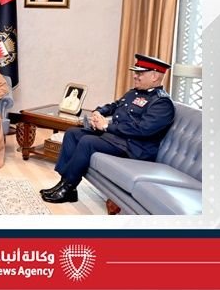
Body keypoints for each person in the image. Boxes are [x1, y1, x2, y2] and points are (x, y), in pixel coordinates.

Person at [40, 53, 175, 203]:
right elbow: (114, 106)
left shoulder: (162, 103)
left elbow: (142, 129)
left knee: (88, 141)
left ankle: (67, 187)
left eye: (140, 73)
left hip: (134, 147)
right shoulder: (134, 93)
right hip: (117, 139)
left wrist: (106, 126)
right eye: (135, 72)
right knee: (72, 133)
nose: (135, 76)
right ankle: (66, 185)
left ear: (154, 76)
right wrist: (98, 112)